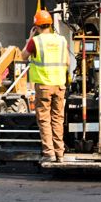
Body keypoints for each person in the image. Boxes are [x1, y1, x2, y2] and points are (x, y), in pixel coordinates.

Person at [18, 9, 69, 163]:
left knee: (44, 119)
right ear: (50, 24)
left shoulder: (36, 41)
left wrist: (30, 38)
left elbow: (22, 56)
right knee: (58, 119)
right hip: (60, 85)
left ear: (36, 26)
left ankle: (49, 153)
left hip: (44, 86)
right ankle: (60, 153)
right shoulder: (62, 40)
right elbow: (67, 62)